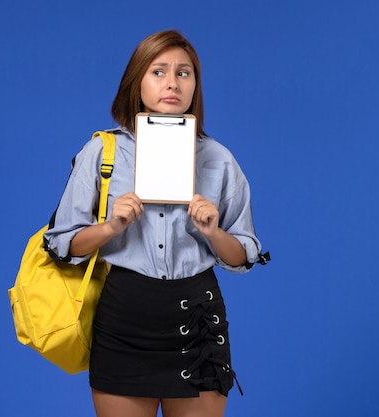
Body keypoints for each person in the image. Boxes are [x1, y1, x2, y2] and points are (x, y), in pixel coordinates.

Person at [44, 29, 265, 417]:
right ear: (137, 82)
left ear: (195, 84)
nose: (172, 83)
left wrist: (213, 231)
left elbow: (244, 255)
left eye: (184, 73)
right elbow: (64, 244)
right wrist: (112, 227)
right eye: (158, 71)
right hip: (123, 322)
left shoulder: (218, 158)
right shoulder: (102, 152)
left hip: (198, 320)